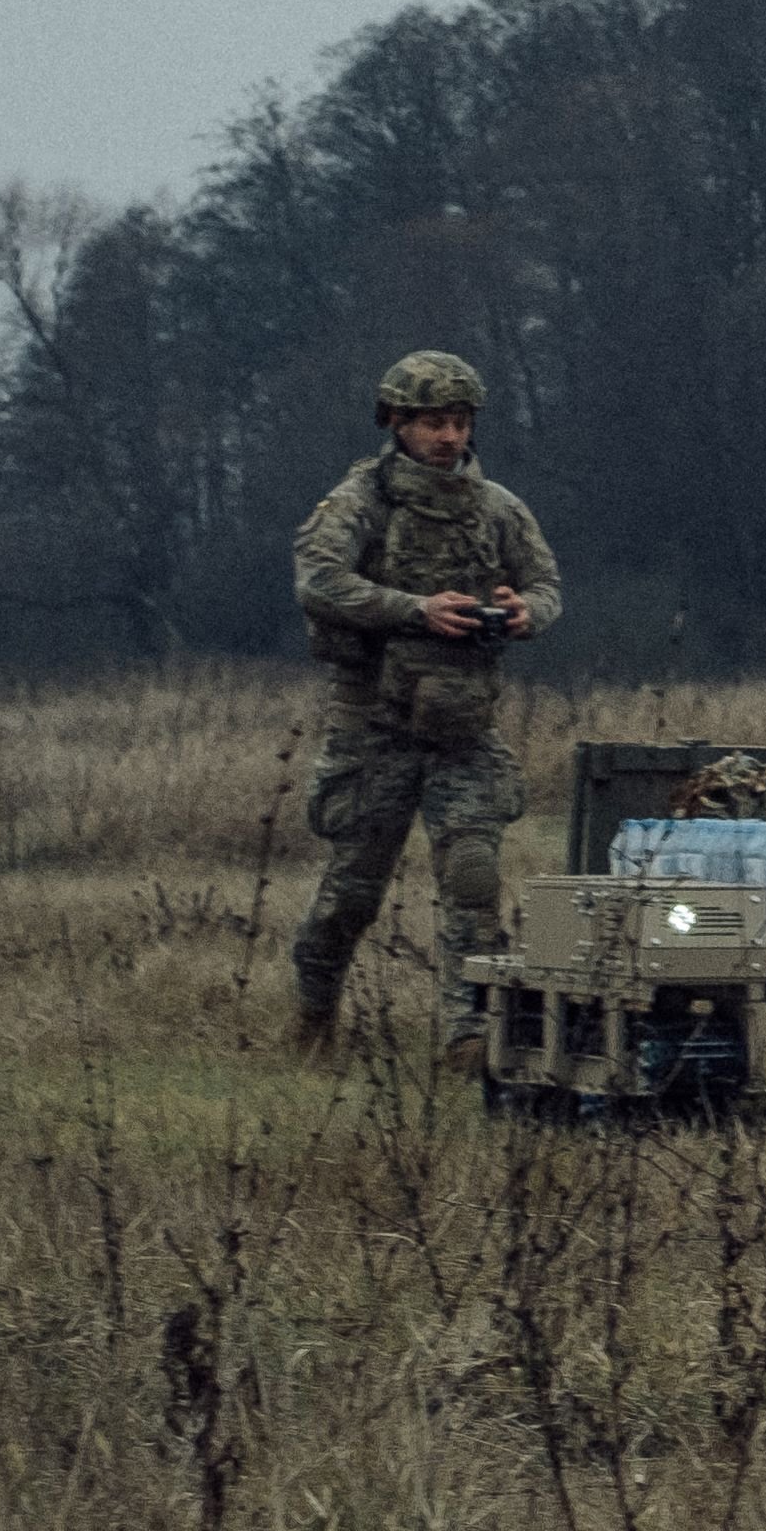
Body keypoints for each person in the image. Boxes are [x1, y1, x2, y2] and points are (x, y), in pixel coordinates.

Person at [284, 350, 567, 1056]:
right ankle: (313, 1018)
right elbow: (319, 581)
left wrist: (525, 610)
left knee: (473, 880)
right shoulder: (358, 504)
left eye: (460, 422)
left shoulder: (498, 507)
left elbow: (547, 583)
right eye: (434, 422)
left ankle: (472, 1034)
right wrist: (414, 610)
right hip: (374, 726)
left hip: (463, 729)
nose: (448, 437)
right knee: (351, 894)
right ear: (398, 423)